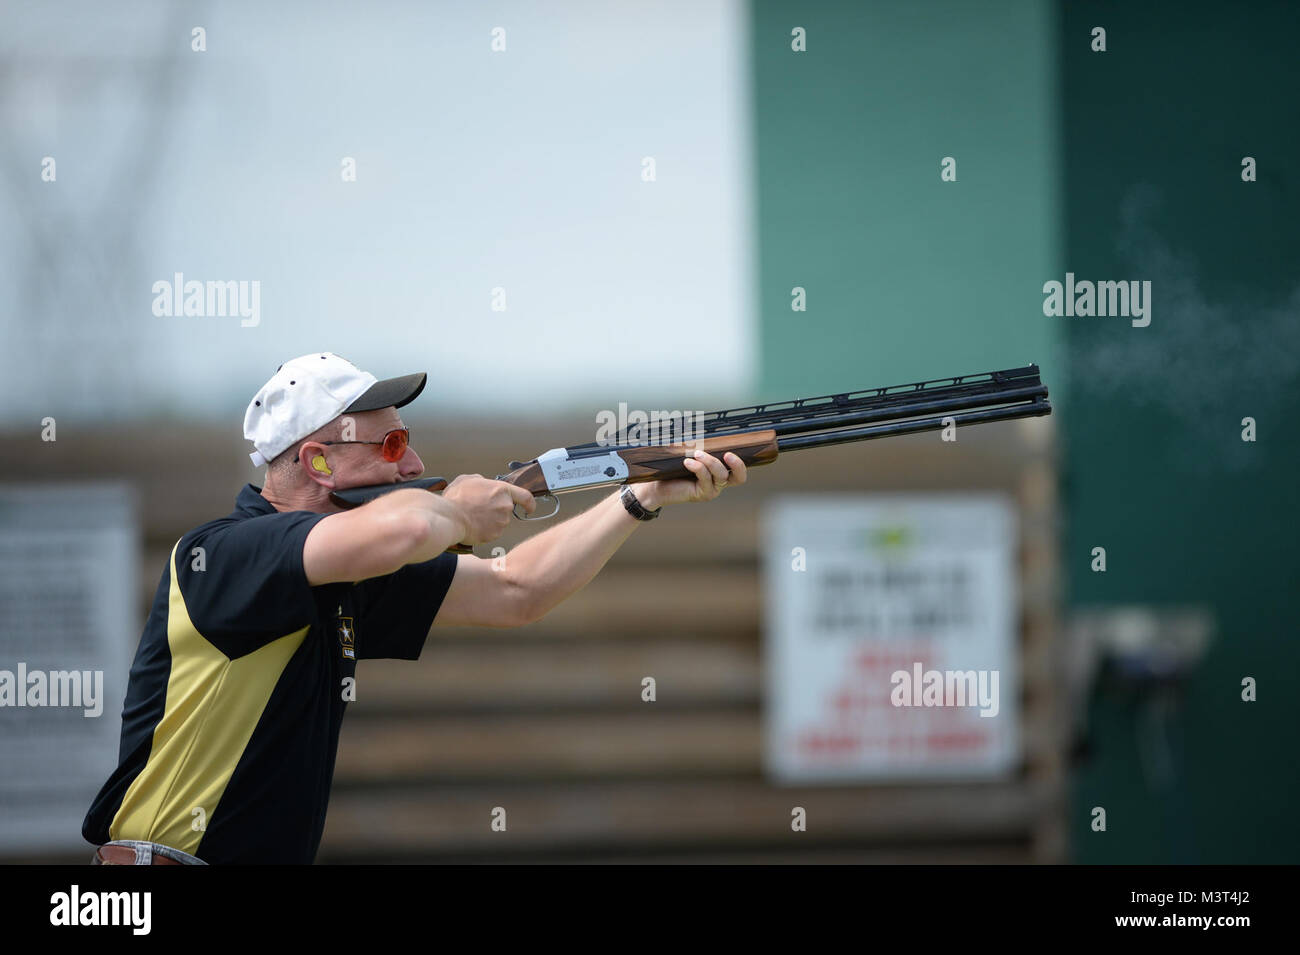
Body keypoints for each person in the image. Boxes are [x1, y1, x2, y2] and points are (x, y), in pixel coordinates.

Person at [81, 352, 746, 864]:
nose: (415, 462)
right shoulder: (225, 554)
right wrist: (457, 507)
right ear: (316, 460)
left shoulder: (346, 572)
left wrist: (641, 499)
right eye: (392, 447)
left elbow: (517, 588)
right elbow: (403, 530)